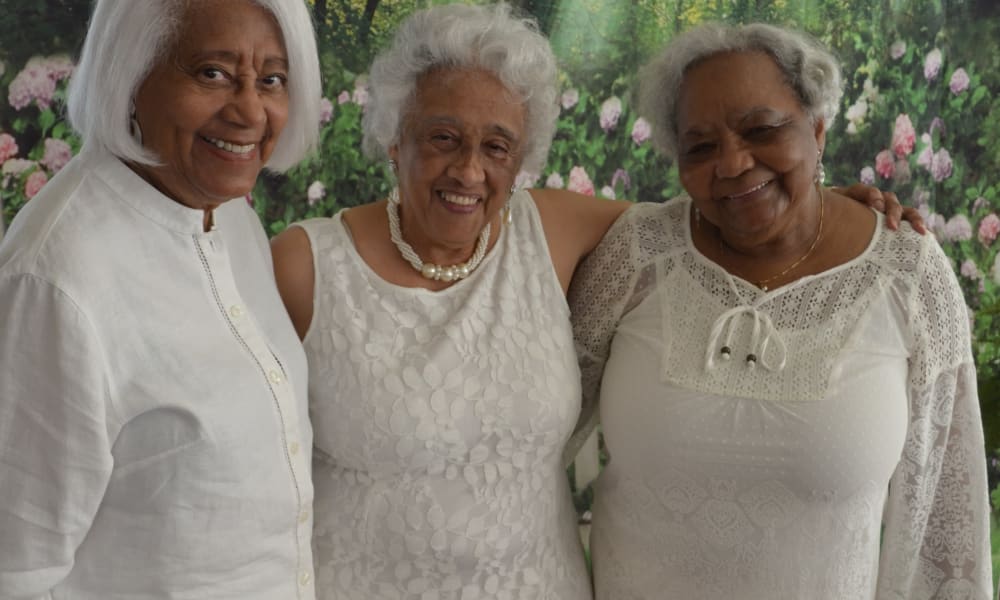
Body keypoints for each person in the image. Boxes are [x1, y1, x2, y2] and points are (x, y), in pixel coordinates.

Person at [269, 5, 919, 598]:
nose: (469, 171)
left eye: (496, 146)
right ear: (393, 136)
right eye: (442, 137)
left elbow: (721, 214)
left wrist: (823, 208)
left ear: (522, 156)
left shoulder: (550, 230)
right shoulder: (306, 266)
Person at [568, 22, 993, 599]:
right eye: (700, 147)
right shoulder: (638, 254)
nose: (733, 163)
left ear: (817, 130)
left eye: (761, 130)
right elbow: (538, 431)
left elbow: (944, 525)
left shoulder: (909, 277)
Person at [0, 1, 322, 598]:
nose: (251, 109)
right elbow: (16, 570)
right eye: (212, 73)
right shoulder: (55, 281)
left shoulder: (229, 217)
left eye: (271, 79)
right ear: (130, 74)